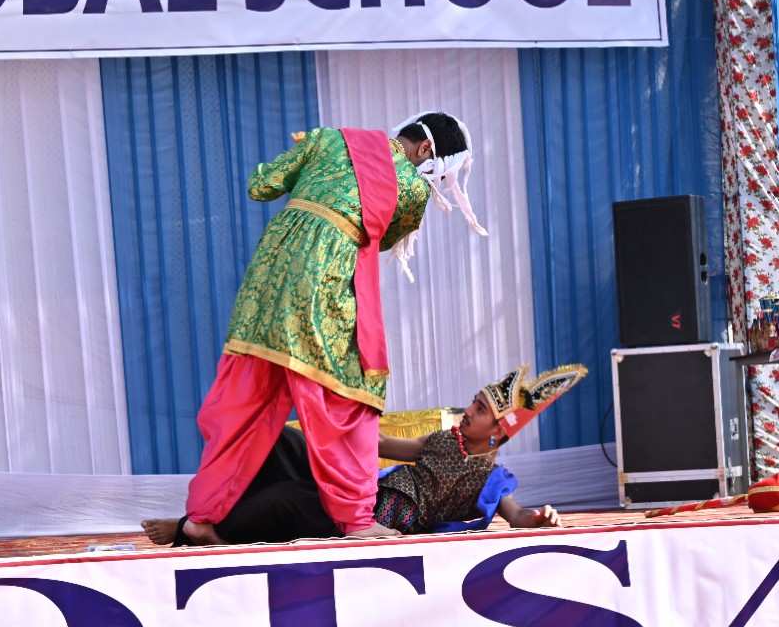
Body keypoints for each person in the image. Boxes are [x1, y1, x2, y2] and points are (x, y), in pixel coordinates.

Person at [168, 114, 476, 547]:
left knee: (247, 397)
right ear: (426, 150)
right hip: (322, 284)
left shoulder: (329, 139)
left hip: (267, 277)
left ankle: (201, 517)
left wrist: (311, 172)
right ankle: (356, 518)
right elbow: (383, 238)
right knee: (349, 396)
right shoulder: (411, 187)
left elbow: (261, 185)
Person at [143, 363, 587, 546]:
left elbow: (516, 515)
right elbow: (382, 445)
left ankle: (197, 532)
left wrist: (538, 518)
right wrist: (340, 409)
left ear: (496, 435)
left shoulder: (491, 479)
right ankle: (210, 514)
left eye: (480, 411)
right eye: (474, 402)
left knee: (287, 498)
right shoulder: (442, 440)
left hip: (373, 522)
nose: (468, 411)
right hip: (359, 495)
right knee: (280, 441)